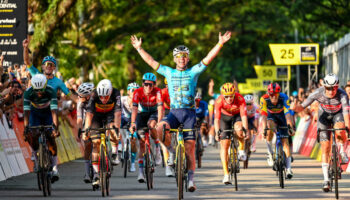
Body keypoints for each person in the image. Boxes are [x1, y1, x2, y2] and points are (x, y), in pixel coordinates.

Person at [130, 31, 231, 192]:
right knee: (159, 128)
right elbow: (151, 62)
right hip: (174, 113)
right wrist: (139, 49)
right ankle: (170, 152)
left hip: (190, 113)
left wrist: (220, 43)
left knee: (190, 148)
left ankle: (191, 180)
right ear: (175, 59)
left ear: (188, 58)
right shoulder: (169, 72)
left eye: (184, 56)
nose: (182, 58)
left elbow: (208, 59)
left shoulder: (194, 72)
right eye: (179, 56)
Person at [292, 73, 349, 192]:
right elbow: (302, 106)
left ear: (337, 86)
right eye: (328, 88)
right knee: (325, 147)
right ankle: (326, 180)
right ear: (324, 87)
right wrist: (295, 108)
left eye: (334, 88)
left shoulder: (342, 95)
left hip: (337, 114)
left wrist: (347, 129)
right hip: (323, 117)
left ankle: (342, 151)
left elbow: (345, 114)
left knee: (340, 129)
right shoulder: (317, 93)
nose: (331, 91)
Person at [83, 79, 122, 187]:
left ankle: (114, 153)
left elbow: (118, 113)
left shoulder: (116, 93)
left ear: (110, 93)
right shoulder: (94, 94)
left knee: (113, 130)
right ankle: (96, 174)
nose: (103, 99)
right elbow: (89, 113)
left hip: (111, 114)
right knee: (96, 143)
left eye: (106, 96)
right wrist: (86, 128)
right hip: (97, 116)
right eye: (101, 97)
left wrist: (116, 128)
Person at [23, 74, 60, 182]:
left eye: (41, 90)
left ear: (45, 86)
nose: (39, 93)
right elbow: (26, 112)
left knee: (51, 138)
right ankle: (36, 157)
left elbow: (54, 112)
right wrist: (26, 128)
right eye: (37, 90)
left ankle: (54, 168)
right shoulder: (28, 92)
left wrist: (55, 128)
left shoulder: (51, 91)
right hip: (35, 114)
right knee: (32, 135)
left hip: (48, 113)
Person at [129, 73, 164, 183]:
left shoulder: (158, 92)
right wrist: (133, 123)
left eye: (151, 84)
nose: (148, 87)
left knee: (151, 125)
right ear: (142, 83)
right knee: (142, 144)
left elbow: (160, 109)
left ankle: (157, 148)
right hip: (142, 114)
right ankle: (140, 172)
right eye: (146, 84)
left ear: (154, 84)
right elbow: (134, 109)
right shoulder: (137, 92)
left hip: (153, 113)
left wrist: (159, 122)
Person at [214, 83, 249, 185]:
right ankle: (226, 174)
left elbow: (244, 116)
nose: (229, 98)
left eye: (231, 96)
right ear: (223, 95)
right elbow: (216, 119)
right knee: (224, 145)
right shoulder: (219, 101)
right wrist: (217, 132)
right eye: (226, 96)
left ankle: (241, 150)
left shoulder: (240, 98)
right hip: (225, 119)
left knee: (239, 129)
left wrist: (245, 130)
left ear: (235, 94)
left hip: (237, 116)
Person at [259, 83, 295, 179]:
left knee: (286, 143)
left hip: (282, 116)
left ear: (279, 93)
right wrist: (264, 129)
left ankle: (288, 169)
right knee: (269, 129)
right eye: (271, 95)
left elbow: (288, 114)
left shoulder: (284, 98)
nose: (273, 97)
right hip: (270, 116)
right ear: (268, 94)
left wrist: (290, 127)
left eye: (275, 94)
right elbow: (263, 115)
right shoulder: (264, 99)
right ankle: (270, 153)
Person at [76, 82, 95, 183]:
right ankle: (87, 173)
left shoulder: (97, 101)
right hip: (86, 123)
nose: (78, 97)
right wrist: (79, 131)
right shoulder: (80, 103)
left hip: (97, 121)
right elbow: (79, 119)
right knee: (87, 145)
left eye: (81, 96)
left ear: (88, 97)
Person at [120, 82, 140, 172]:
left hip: (134, 119)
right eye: (132, 90)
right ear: (128, 92)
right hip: (124, 118)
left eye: (136, 91)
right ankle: (120, 145)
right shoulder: (122, 99)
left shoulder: (139, 102)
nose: (134, 92)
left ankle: (132, 163)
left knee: (133, 139)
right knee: (115, 126)